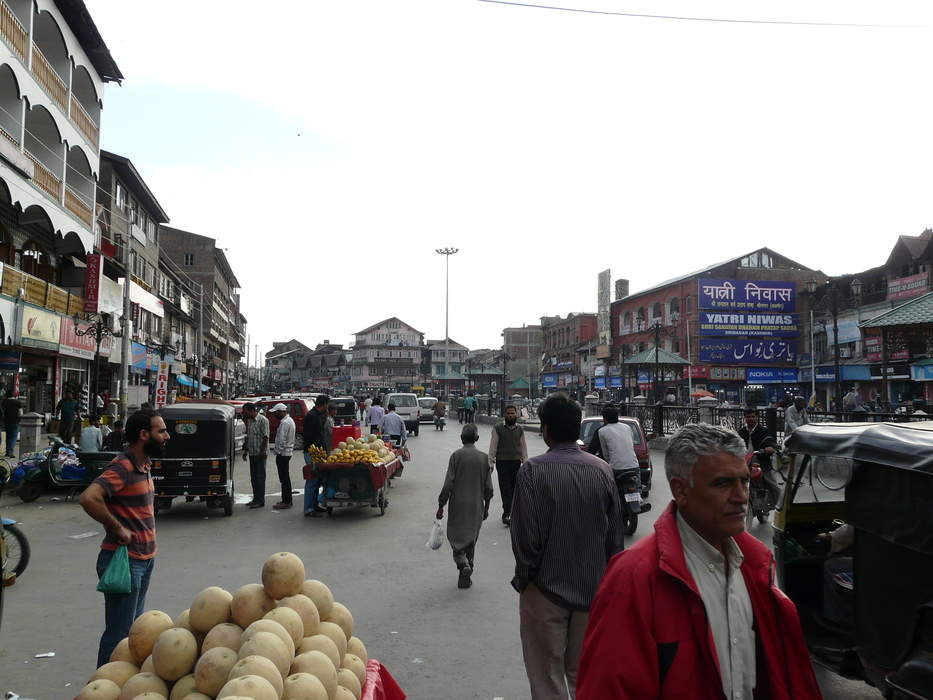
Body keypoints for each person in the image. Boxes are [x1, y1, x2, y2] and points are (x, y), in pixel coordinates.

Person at [576, 423, 822, 700]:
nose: (741, 497)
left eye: (744, 481)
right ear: (680, 491)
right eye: (722, 483)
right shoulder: (633, 578)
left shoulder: (755, 565)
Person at [510, 392, 623, 700]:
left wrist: (525, 579)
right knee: (584, 676)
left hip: (544, 589)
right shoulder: (603, 471)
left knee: (546, 677)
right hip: (593, 590)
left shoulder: (532, 471)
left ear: (545, 430)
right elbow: (615, 540)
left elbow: (525, 540)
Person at [79, 409, 169, 668]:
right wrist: (117, 528)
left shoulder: (144, 464)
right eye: (161, 431)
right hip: (125, 562)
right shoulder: (124, 466)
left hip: (144, 559)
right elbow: (89, 498)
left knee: (134, 632)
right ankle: (104, 685)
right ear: (143, 435)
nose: (167, 436)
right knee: (119, 635)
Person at [436, 423, 494, 588]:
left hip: (458, 505)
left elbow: (448, 484)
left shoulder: (456, 456)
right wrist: (487, 508)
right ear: (476, 438)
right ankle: (467, 572)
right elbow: (489, 488)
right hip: (477, 506)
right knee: (470, 540)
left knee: (456, 538)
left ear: (462, 438)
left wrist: (441, 504)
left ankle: (463, 564)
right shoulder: (484, 458)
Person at [488, 405, 528, 526]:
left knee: (516, 488)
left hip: (516, 462)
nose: (510, 415)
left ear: (516, 415)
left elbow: (523, 448)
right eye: (508, 413)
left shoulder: (520, 430)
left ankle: (514, 513)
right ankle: (507, 513)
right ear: (505, 415)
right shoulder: (498, 428)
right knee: (506, 489)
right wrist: (491, 463)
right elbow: (493, 447)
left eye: (512, 413)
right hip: (502, 462)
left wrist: (525, 463)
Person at [738, 408, 782, 507]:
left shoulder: (763, 430)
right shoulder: (741, 431)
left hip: (761, 460)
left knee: (772, 484)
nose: (750, 419)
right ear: (744, 418)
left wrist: (769, 448)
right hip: (744, 461)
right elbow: (734, 443)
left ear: (757, 417)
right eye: (748, 417)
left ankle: (780, 506)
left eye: (753, 416)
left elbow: (769, 441)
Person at [586, 404, 638, 473]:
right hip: (634, 466)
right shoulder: (627, 427)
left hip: (615, 468)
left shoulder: (602, 431)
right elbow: (631, 446)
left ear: (604, 419)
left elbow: (605, 454)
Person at [302, 395, 331, 517]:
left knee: (318, 480)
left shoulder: (318, 415)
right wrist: (316, 453)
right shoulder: (312, 416)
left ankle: (314, 506)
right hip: (312, 452)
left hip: (318, 453)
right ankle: (308, 508)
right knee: (312, 480)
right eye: (327, 405)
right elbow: (311, 437)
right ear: (324, 404)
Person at [242, 404, 269, 509]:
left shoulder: (263, 420)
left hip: (260, 454)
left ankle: (260, 500)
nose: (245, 414)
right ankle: (255, 498)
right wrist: (245, 451)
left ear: (251, 410)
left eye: (246, 412)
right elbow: (249, 437)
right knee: (253, 478)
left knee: (260, 478)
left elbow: (266, 437)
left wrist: (262, 452)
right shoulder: (249, 421)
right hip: (252, 453)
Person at [271, 403, 295, 509]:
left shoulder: (285, 423)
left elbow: (281, 440)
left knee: (284, 478)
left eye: (276, 413)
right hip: (286, 452)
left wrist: (277, 451)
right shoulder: (289, 421)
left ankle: (286, 500)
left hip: (283, 453)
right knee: (285, 477)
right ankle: (286, 499)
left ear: (282, 411)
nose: (275, 415)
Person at [2, 390, 22, 457]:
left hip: (6, 421)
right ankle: (10, 451)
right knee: (13, 437)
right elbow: (20, 413)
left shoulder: (4, 402)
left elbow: (3, 412)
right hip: (15, 421)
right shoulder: (18, 402)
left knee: (8, 436)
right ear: (13, 395)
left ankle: (7, 451)